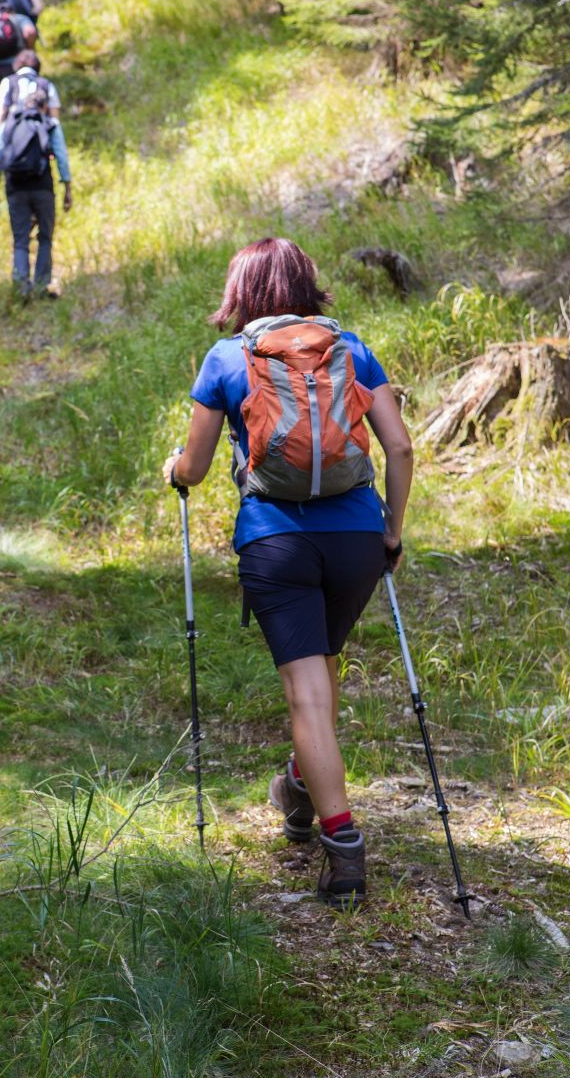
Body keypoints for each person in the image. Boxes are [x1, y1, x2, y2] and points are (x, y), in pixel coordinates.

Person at [162, 238, 413, 910]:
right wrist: (391, 529)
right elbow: (400, 445)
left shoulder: (227, 358)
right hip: (359, 536)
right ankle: (301, 790)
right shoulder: (350, 349)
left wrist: (174, 473)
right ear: (307, 282)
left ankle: (344, 847)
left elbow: (196, 464)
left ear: (242, 289)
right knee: (324, 669)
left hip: (277, 541)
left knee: (307, 693)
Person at [0, 52, 72, 301]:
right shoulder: (50, 122)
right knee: (45, 237)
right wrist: (67, 187)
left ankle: (21, 285)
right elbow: (62, 156)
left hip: (15, 184)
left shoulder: (9, 121)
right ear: (44, 103)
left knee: (20, 239)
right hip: (43, 183)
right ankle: (41, 285)